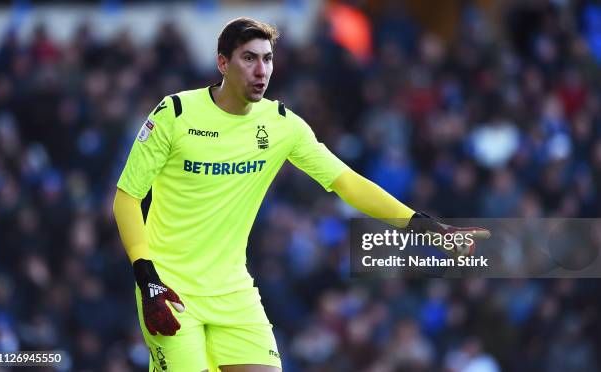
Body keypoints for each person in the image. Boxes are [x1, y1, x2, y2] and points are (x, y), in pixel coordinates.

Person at [112, 17, 489, 372]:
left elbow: (345, 181)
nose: (261, 71)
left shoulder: (281, 125)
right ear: (222, 64)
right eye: (249, 59)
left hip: (232, 291)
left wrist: (421, 225)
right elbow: (127, 198)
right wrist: (147, 278)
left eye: (267, 59)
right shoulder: (175, 113)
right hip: (169, 289)